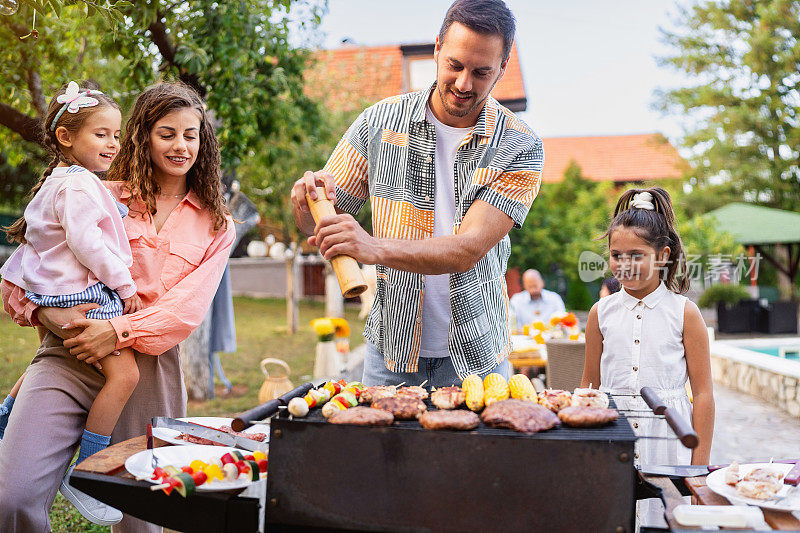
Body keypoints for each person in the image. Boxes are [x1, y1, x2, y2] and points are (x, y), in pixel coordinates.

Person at [0, 82, 235, 533]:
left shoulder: (216, 225)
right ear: (143, 135)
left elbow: (184, 311)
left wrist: (118, 330)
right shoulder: (96, 193)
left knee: (141, 521)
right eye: (167, 133)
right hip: (68, 352)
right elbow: (29, 266)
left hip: (147, 371)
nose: (181, 145)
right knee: (13, 496)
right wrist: (47, 315)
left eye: (191, 135)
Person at [291, 0, 543, 387]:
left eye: (481, 72)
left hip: (476, 358)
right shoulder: (378, 122)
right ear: (437, 48)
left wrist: (372, 248)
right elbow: (324, 224)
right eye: (455, 65)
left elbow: (467, 249)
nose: (463, 84)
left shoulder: (520, 145)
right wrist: (306, 203)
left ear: (502, 69)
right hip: (391, 347)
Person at [0, 81, 142, 525]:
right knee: (124, 375)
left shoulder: (60, 183)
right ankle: (89, 470)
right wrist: (125, 287)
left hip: (56, 294)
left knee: (60, 355)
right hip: (84, 295)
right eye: (101, 134)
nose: (113, 144)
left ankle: (7, 414)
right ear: (66, 138)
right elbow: (89, 244)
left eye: (116, 135)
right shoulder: (79, 186)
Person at [580, 188, 714, 526]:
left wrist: (698, 468)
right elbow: (588, 385)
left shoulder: (685, 313)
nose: (624, 265)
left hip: (670, 443)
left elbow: (703, 394)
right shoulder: (601, 313)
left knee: (663, 520)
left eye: (636, 255)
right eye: (616, 255)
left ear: (662, 255)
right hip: (614, 436)